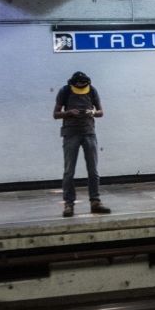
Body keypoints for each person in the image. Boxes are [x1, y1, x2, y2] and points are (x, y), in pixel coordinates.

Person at [53, 71, 111, 217]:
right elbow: (55, 114)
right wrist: (69, 113)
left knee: (93, 171)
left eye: (83, 85)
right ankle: (69, 204)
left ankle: (95, 202)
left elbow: (101, 112)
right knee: (69, 172)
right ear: (72, 83)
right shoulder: (65, 91)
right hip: (70, 134)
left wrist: (92, 112)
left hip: (89, 133)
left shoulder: (92, 90)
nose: (81, 87)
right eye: (78, 85)